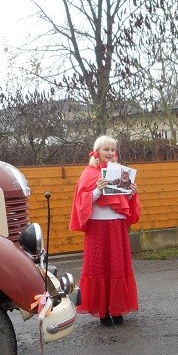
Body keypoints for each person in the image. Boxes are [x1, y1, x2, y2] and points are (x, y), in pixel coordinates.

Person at [69, 135, 141, 327]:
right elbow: (81, 202)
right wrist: (97, 191)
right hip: (98, 227)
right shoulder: (89, 173)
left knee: (117, 266)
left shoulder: (119, 172)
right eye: (106, 149)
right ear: (97, 152)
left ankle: (117, 309)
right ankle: (103, 312)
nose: (110, 153)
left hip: (116, 225)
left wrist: (132, 193)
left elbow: (126, 204)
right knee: (99, 266)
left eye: (112, 149)